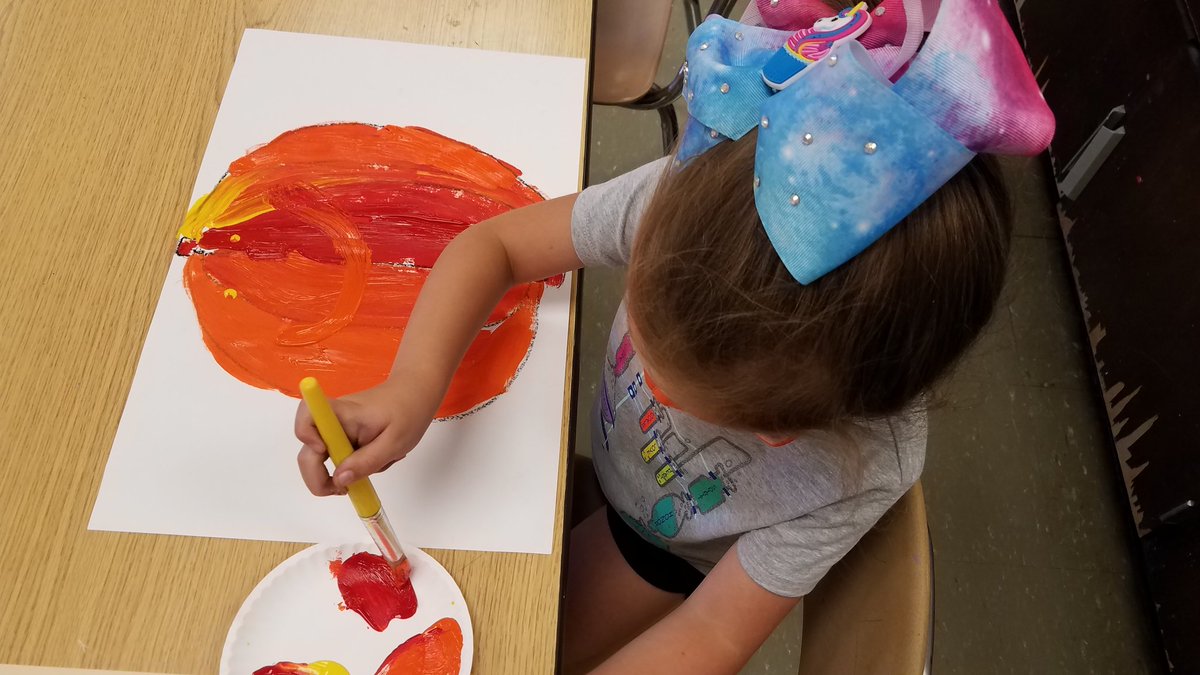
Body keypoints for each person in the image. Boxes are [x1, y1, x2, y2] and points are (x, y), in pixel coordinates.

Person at [294, 0, 1054, 671]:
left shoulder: (859, 469)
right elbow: (495, 245)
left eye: (689, 397)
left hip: (660, 548)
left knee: (512, 638)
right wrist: (412, 386)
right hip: (595, 462)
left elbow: (712, 633)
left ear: (793, 430)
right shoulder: (689, 205)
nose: (649, 384)